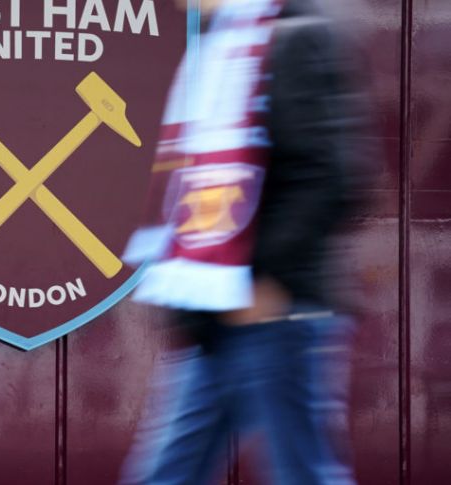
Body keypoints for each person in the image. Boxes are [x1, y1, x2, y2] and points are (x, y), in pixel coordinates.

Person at [119, 0, 367, 484]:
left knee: (303, 473)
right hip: (213, 307)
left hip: (274, 309)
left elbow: (329, 177)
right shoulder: (215, 49)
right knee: (167, 474)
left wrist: (267, 280)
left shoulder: (294, 39)